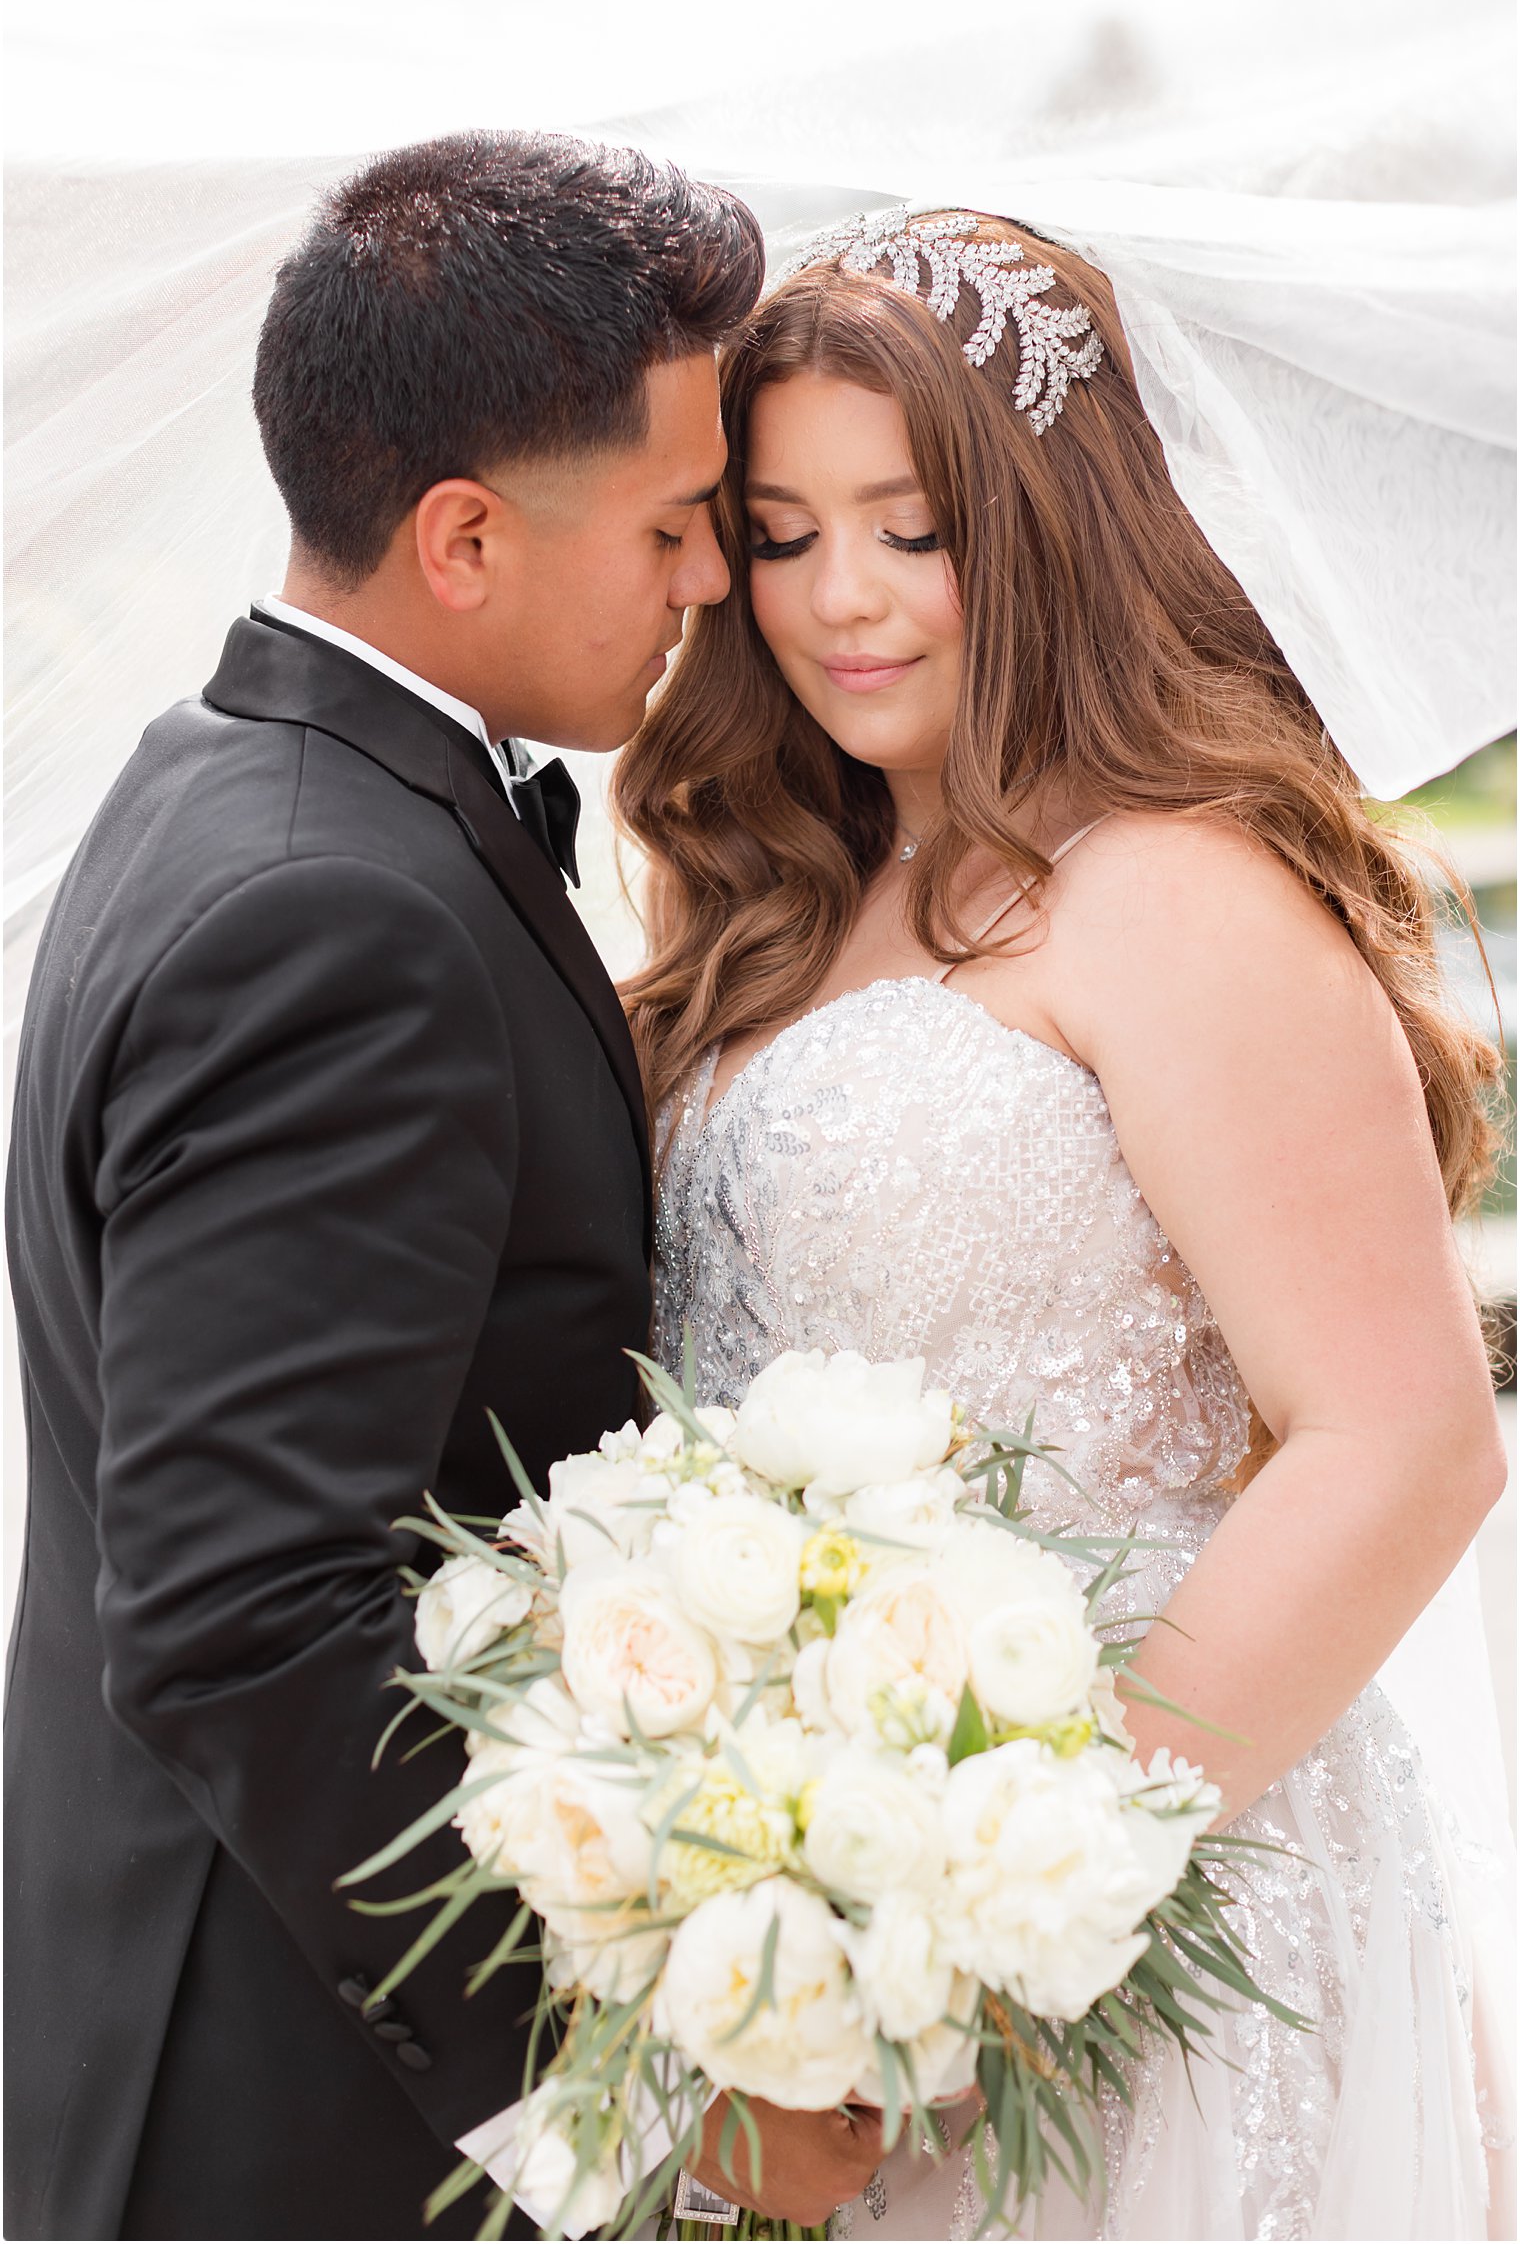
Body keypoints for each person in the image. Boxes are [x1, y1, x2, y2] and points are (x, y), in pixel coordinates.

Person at [615, 209, 1512, 2238]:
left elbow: (1401, 1438)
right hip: (817, 1900)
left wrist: (1001, 1907)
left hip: (1138, 1890)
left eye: (908, 527)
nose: (836, 597)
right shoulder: (772, 904)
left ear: (1037, 526)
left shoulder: (1178, 888)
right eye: (777, 531)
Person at [3, 126, 796, 2244]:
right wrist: (617, 2095)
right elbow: (246, 1611)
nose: (711, 581)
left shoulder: (231, 784)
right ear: (461, 538)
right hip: (298, 2110)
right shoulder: (332, 912)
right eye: (675, 521)